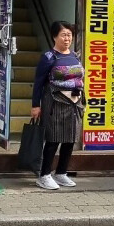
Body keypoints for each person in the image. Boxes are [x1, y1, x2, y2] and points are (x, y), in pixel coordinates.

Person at [31, 21, 85, 190]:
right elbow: (38, 83)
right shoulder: (48, 57)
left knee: (70, 139)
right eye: (63, 35)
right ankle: (44, 175)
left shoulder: (75, 56)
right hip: (54, 103)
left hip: (74, 104)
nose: (67, 38)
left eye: (69, 35)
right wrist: (35, 106)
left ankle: (61, 173)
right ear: (55, 36)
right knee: (53, 139)